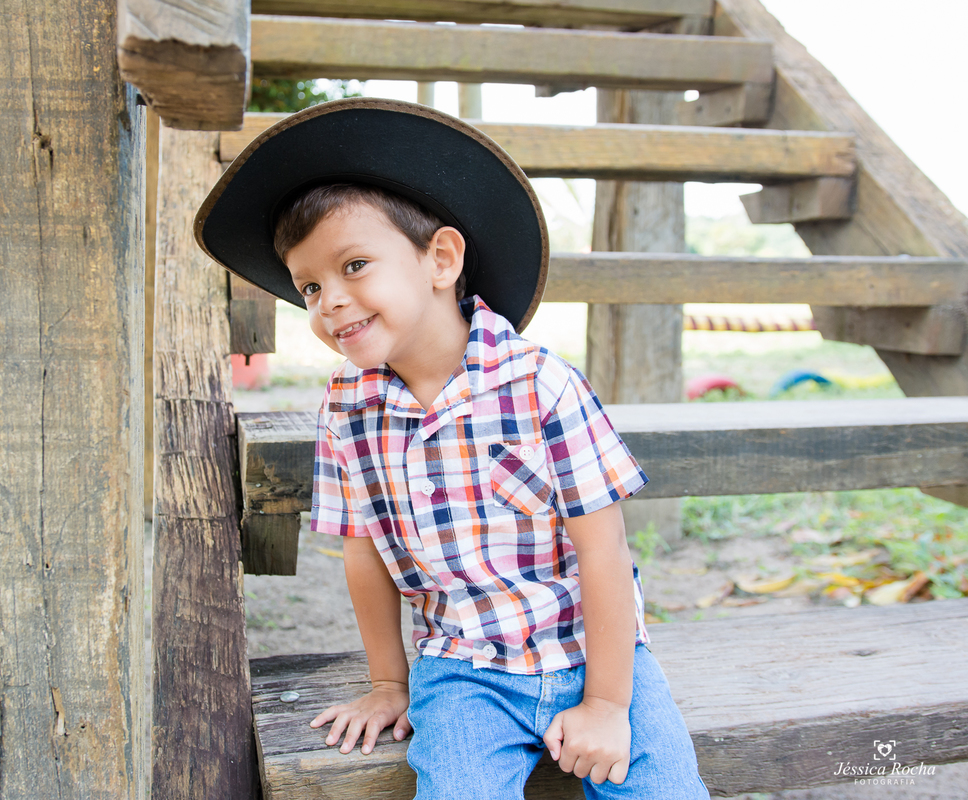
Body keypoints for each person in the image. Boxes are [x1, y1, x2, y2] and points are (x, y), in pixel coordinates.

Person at [194, 98, 709, 799]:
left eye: (354, 265)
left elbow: (604, 554)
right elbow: (362, 550)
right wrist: (386, 682)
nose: (329, 301)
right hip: (463, 671)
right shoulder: (350, 407)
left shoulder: (540, 386)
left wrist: (608, 705)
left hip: (595, 656)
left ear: (440, 258)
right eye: (310, 285)